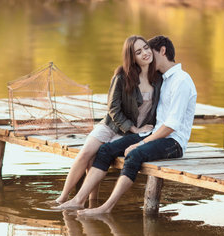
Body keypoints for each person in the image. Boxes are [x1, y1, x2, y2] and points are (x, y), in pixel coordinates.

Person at [57, 35, 197, 215]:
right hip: (148, 132)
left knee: (134, 155)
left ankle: (105, 208)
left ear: (162, 51)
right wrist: (138, 135)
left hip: (172, 142)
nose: (147, 55)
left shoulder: (181, 80)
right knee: (105, 150)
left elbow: (171, 125)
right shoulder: (163, 78)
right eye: (140, 52)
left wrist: (140, 143)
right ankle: (77, 200)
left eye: (149, 50)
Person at [54, 35, 163, 204]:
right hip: (112, 125)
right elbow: (113, 109)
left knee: (98, 155)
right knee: (85, 153)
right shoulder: (122, 76)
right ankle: (62, 198)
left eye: (146, 48)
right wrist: (133, 129)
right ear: (132, 57)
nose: (145, 53)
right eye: (138, 52)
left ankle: (91, 200)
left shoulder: (158, 79)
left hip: (132, 133)